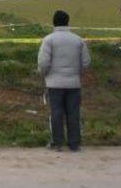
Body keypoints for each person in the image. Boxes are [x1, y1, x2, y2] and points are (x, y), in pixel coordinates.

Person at [38, 10, 91, 151]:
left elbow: (43, 63)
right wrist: (77, 73)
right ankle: (74, 143)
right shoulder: (78, 39)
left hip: (54, 83)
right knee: (73, 113)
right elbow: (86, 62)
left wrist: (45, 74)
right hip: (74, 83)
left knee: (56, 113)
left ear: (53, 22)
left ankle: (57, 142)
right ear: (68, 22)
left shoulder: (49, 40)